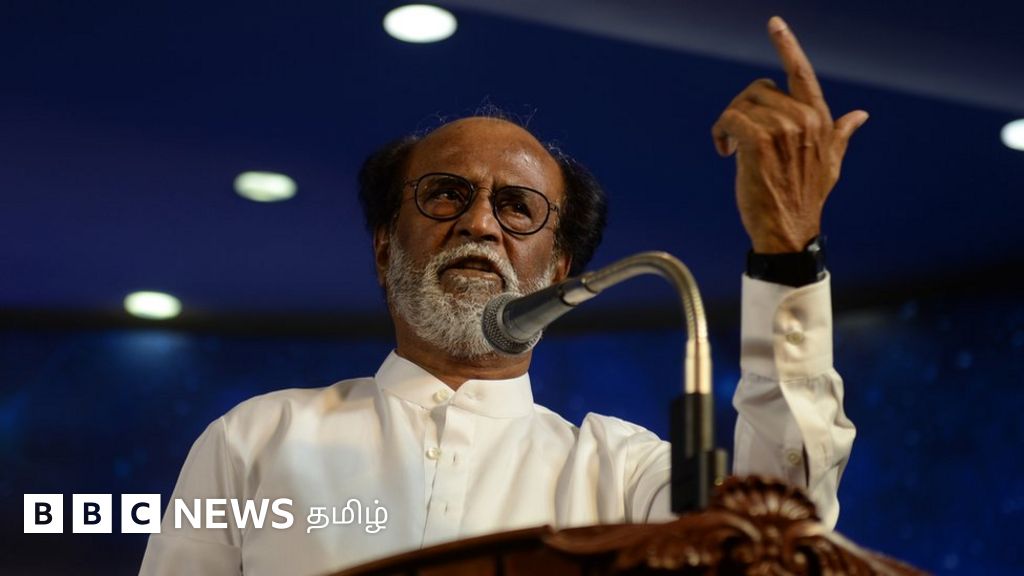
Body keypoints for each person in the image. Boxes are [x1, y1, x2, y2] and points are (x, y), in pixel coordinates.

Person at [140, 16, 863, 576]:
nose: (480, 223)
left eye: (518, 208)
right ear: (385, 245)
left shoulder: (622, 473)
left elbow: (776, 532)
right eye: (445, 194)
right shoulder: (255, 440)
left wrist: (786, 253)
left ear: (560, 270)